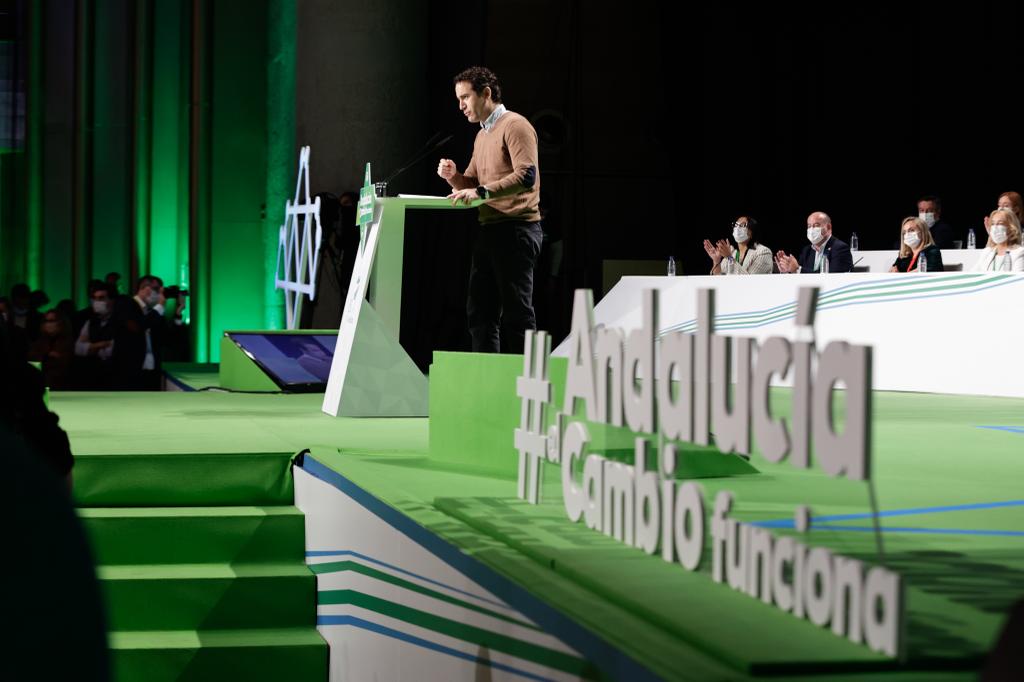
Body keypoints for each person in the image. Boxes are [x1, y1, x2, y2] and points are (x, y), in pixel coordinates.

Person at [437, 66, 542, 354]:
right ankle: (488, 381)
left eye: (465, 98)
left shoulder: (515, 125)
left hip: (517, 229)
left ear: (486, 93)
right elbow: (471, 183)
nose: (461, 106)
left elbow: (526, 176)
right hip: (491, 230)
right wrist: (453, 176)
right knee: (480, 313)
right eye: (458, 99)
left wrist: (481, 191)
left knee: (517, 315)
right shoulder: (482, 135)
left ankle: (527, 387)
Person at [111, 275, 179, 390]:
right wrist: (160, 306)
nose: (159, 294)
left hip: (151, 373)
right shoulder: (125, 303)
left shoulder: (154, 313)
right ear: (146, 288)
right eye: (157, 290)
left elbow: (169, 340)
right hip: (129, 373)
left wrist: (178, 314)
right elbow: (138, 327)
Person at [774, 211, 853, 274]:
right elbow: (799, 276)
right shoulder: (807, 250)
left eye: (816, 225)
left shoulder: (840, 248)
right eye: (809, 226)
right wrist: (787, 270)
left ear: (828, 227)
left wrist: (798, 269)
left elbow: (832, 277)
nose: (811, 229)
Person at [74, 284, 117, 389]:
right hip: (92, 376)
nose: (97, 302)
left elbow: (112, 351)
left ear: (112, 300)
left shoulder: (121, 323)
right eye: (95, 298)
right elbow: (78, 349)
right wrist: (102, 344)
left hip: (114, 377)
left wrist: (90, 347)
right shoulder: (90, 322)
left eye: (101, 298)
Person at [703, 216, 773, 275]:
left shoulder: (763, 252)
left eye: (742, 225)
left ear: (752, 232)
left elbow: (750, 282)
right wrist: (716, 261)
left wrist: (729, 258)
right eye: (736, 225)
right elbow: (720, 277)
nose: (737, 228)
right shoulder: (732, 251)